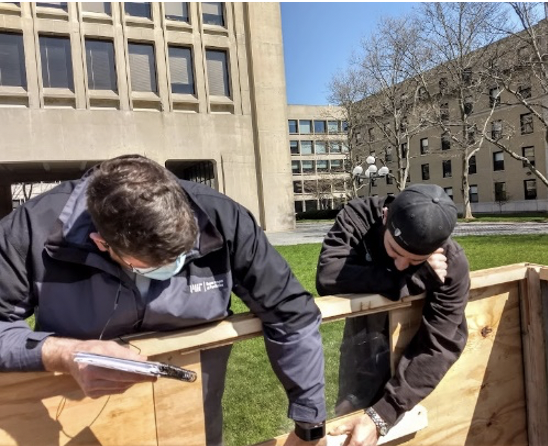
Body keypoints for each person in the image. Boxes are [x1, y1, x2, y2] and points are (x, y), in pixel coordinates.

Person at [0, 155, 326, 446]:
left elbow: (291, 313)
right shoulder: (29, 230)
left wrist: (310, 425)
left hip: (195, 416)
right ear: (101, 244)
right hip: (78, 416)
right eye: (157, 265)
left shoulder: (221, 217)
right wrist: (65, 353)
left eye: (183, 254)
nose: (175, 268)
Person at [316, 183, 470, 445]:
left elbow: (441, 344)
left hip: (411, 353)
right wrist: (410, 279)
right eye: (395, 251)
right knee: (345, 412)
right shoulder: (360, 216)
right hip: (361, 340)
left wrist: (382, 415)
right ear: (386, 217)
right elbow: (328, 275)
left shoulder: (451, 262)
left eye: (414, 261)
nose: (401, 264)